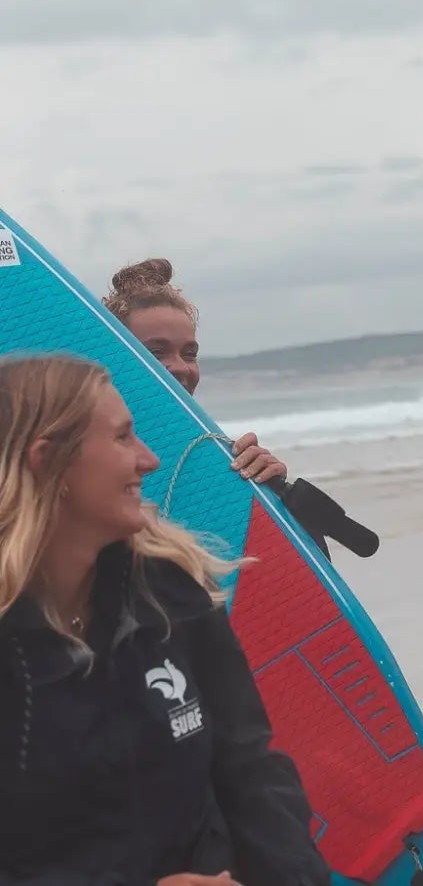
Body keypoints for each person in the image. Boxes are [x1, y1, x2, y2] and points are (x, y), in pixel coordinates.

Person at [0, 354, 330, 885]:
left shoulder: (170, 592)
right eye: (124, 438)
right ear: (47, 462)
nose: (149, 460)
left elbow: (249, 770)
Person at [104, 260, 372, 560]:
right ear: (116, 358)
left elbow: (280, 576)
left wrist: (270, 499)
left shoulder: (210, 459)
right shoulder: (82, 469)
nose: (180, 367)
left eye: (189, 354)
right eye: (157, 351)